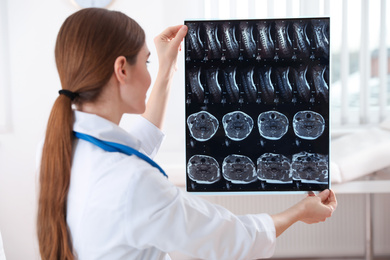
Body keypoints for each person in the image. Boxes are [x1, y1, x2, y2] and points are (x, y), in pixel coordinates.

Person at [37, 8, 337, 260]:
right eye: (146, 61)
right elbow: (228, 238)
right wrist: (299, 212)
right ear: (122, 70)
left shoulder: (62, 147)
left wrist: (166, 67)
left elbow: (139, 144)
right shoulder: (132, 182)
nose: (150, 70)